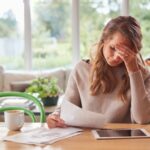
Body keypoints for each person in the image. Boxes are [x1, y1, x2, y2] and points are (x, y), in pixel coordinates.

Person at [47, 16, 150, 128]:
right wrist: (55, 115)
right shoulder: (81, 69)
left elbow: (142, 118)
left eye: (125, 52)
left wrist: (133, 70)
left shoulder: (143, 75)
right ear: (103, 41)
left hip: (125, 141)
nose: (117, 57)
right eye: (113, 48)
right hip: (88, 139)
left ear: (134, 51)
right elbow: (67, 108)